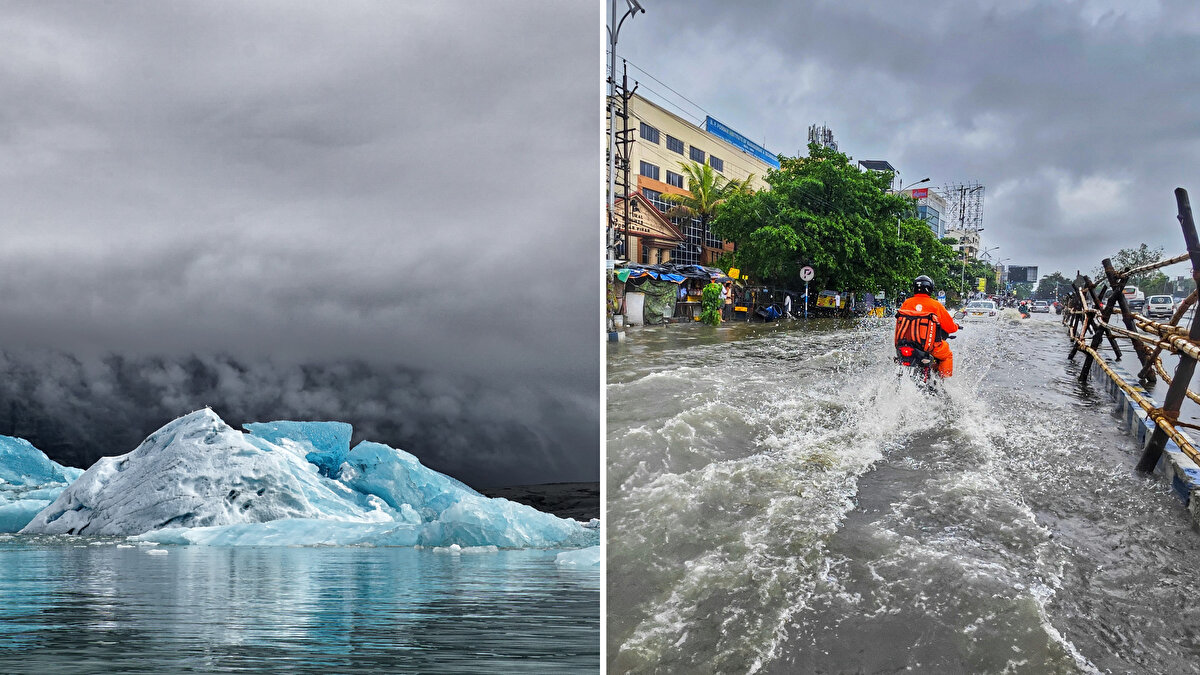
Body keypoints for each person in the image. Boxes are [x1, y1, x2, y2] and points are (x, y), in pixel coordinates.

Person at [895, 275, 960, 378]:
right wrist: (956, 326)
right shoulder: (936, 305)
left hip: (905, 345)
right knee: (947, 355)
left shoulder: (906, 303)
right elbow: (950, 328)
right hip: (928, 347)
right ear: (930, 289)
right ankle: (943, 382)